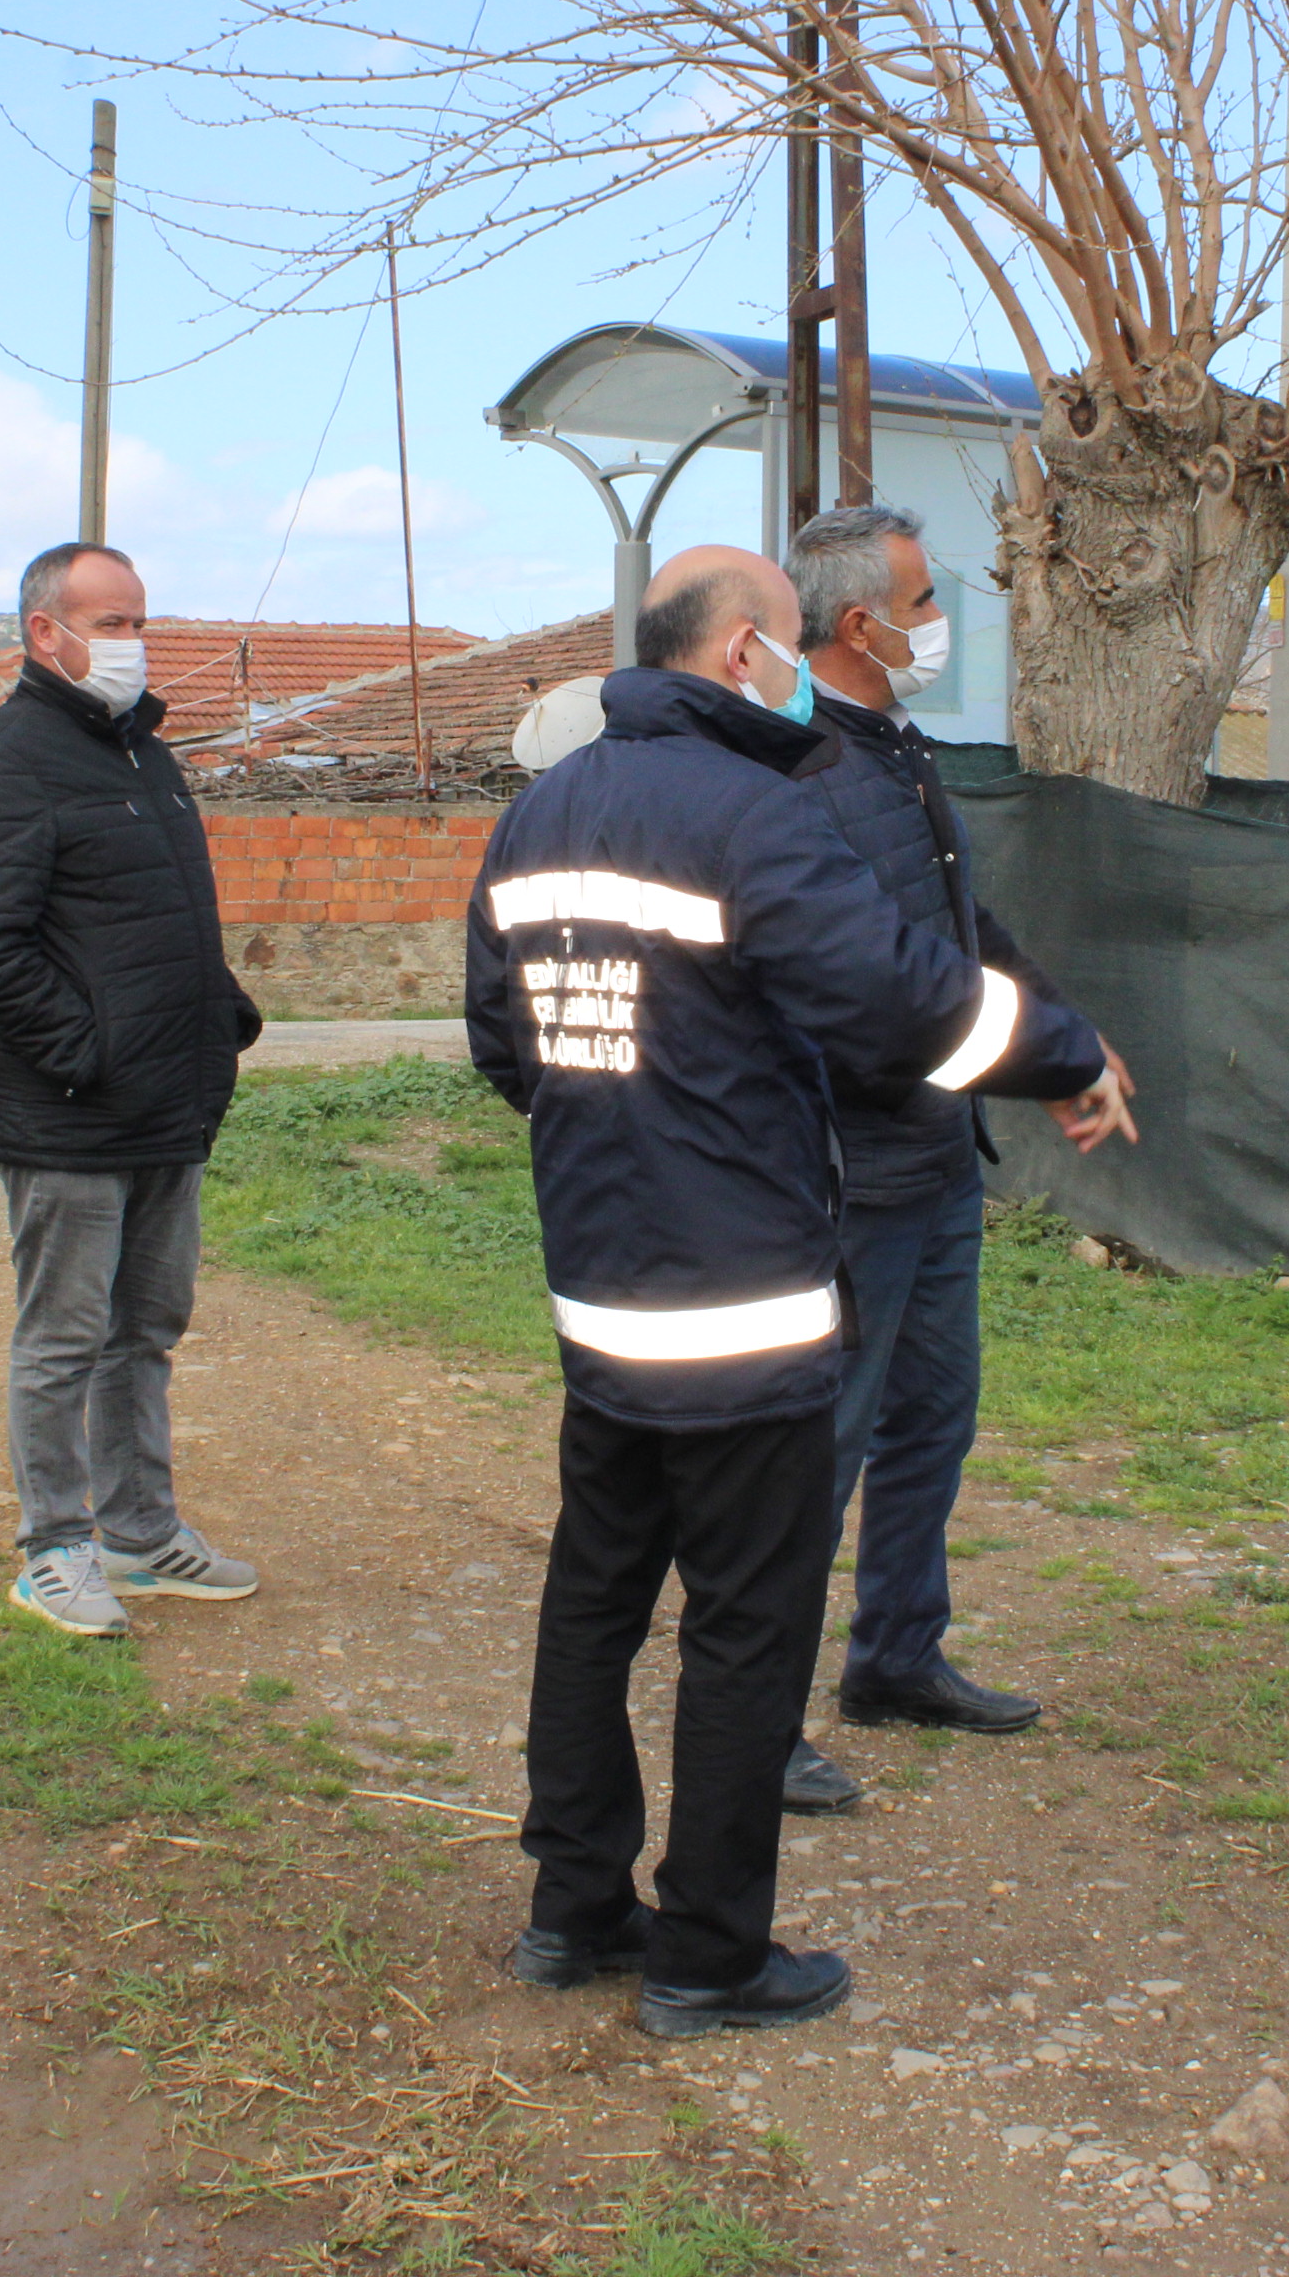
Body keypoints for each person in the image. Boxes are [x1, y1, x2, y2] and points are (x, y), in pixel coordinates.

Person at [468, 545, 1133, 2039]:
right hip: (747, 1307)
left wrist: (626, 1115)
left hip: (604, 1298)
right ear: (739, 657)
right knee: (747, 1626)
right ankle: (710, 1953)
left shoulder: (539, 814)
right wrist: (1066, 1052)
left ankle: (573, 1911)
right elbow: (904, 1007)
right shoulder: (755, 819)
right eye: (778, 643)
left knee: (593, 1603)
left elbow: (504, 1048)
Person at [774, 506, 1138, 1819]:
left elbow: (963, 929)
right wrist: (1053, 1057)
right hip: (849, 1165)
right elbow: (893, 987)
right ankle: (755, 1717)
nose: (945, 623)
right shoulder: (805, 765)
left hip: (934, 1154)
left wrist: (1067, 1037)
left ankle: (897, 1657)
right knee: (823, 1444)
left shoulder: (891, 745)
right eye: (927, 601)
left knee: (934, 1417)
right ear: (862, 625)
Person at [0, 540, 266, 1638]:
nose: (131, 641)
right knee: (64, 1338)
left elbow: (154, 911)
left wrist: (216, 1010)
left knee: (147, 1328)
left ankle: (139, 1530)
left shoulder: (143, 755)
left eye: (138, 621)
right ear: (46, 633)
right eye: (110, 622)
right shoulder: (6, 760)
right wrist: (90, 1049)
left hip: (168, 1104)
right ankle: (55, 1549)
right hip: (71, 1117)